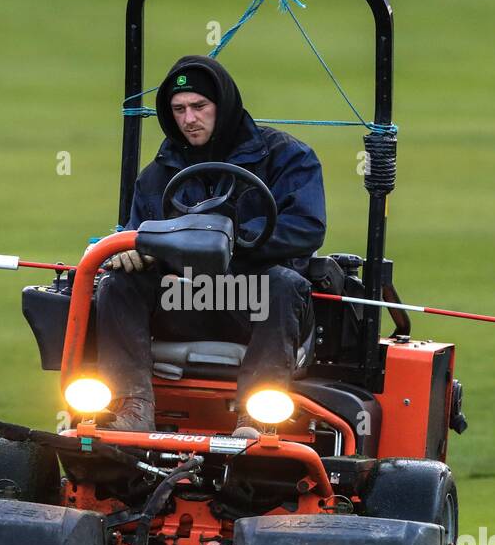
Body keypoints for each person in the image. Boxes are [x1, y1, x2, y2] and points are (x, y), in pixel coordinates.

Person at [95, 55, 326, 435]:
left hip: (254, 298)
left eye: (199, 107)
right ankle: (131, 406)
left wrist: (225, 240)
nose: (189, 119)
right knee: (116, 284)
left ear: (224, 105)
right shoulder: (157, 175)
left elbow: (306, 228)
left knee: (284, 283)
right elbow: (137, 233)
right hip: (183, 298)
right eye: (179, 109)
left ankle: (257, 416)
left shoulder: (289, 157)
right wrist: (130, 251)